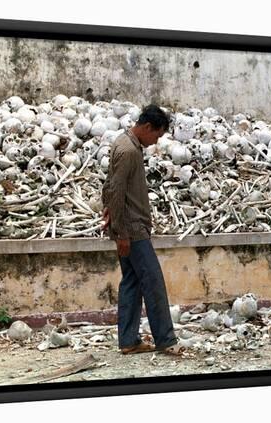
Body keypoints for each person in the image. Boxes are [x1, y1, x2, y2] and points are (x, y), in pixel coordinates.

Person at [101, 104, 184, 356]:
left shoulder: (123, 143)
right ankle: (166, 340)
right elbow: (116, 190)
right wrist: (121, 232)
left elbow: (109, 186)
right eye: (156, 135)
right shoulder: (129, 151)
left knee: (132, 282)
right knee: (153, 282)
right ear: (147, 127)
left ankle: (128, 341)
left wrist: (110, 216)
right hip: (133, 230)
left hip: (127, 226)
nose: (155, 141)